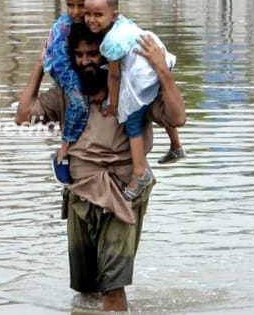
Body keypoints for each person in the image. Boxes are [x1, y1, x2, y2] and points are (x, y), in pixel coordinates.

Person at [15, 23, 186, 312]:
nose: (85, 61)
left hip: (123, 194)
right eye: (79, 55)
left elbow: (177, 117)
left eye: (92, 54)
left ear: (106, 56)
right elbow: (23, 116)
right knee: (86, 292)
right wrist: (39, 66)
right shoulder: (67, 94)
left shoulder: (132, 90)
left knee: (112, 286)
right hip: (81, 195)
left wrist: (163, 72)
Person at [83, 0, 185, 200]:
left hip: (146, 73)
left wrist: (114, 105)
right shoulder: (124, 25)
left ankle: (139, 173)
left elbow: (114, 77)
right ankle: (176, 145)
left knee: (131, 120)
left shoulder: (111, 41)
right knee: (156, 100)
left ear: (114, 15)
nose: (91, 19)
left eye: (98, 15)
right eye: (88, 14)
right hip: (155, 59)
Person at [42, 0, 99, 184]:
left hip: (74, 65)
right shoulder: (65, 27)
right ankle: (64, 148)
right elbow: (57, 61)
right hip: (62, 69)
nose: (75, 12)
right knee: (79, 104)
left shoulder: (92, 21)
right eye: (70, 5)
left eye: (80, 6)